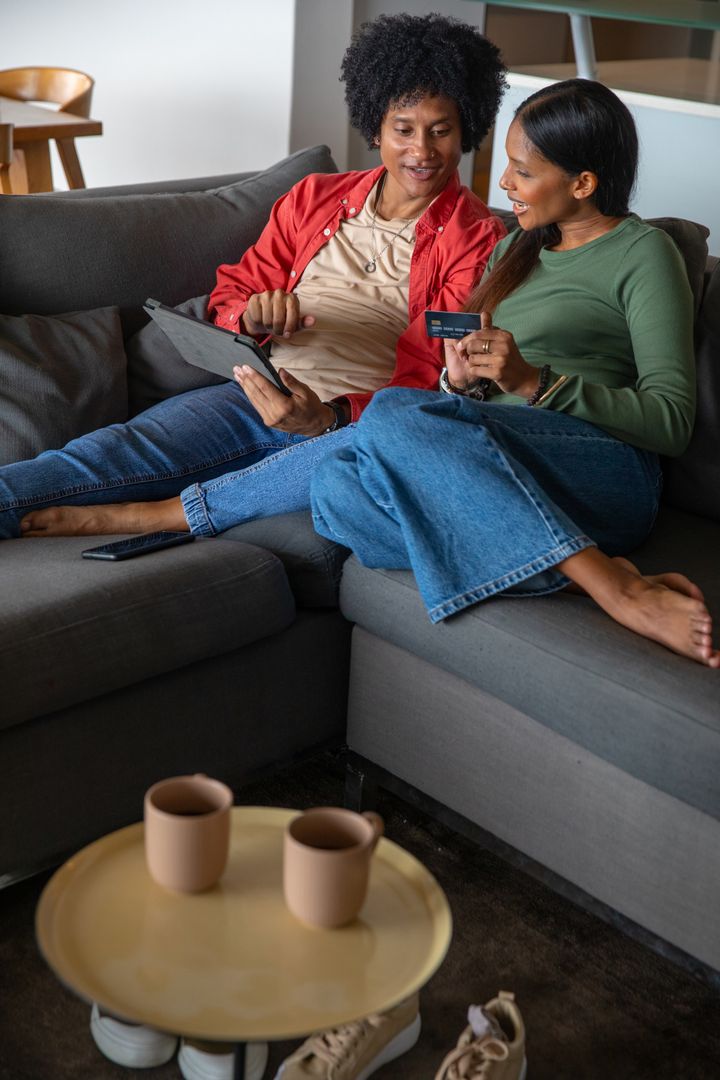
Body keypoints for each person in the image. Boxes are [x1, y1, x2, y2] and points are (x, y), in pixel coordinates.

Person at [0, 12, 507, 544]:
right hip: (256, 395)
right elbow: (232, 293)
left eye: (440, 131)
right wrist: (253, 313)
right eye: (403, 130)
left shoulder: (479, 240)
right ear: (375, 127)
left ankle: (165, 513)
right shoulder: (314, 197)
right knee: (90, 461)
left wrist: (330, 418)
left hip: (347, 430)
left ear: (466, 128)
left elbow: (437, 376)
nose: (421, 151)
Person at [310, 78, 718, 669]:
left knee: (395, 413)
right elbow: (473, 402)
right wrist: (462, 381)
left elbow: (672, 421)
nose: (503, 184)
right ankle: (577, 571)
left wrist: (536, 383)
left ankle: (618, 591)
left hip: (602, 469)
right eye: (508, 165)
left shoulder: (644, 253)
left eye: (522, 172)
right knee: (334, 489)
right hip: (502, 463)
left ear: (583, 184)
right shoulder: (513, 252)